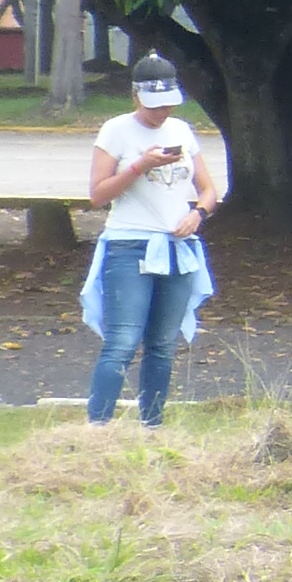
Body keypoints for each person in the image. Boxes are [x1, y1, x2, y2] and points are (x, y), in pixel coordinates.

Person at [81, 53, 224, 428]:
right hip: (130, 244)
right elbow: (97, 195)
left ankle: (152, 425)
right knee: (124, 341)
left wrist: (198, 214)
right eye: (153, 106)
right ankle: (99, 426)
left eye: (167, 105)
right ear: (135, 97)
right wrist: (139, 166)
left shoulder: (181, 130)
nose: (161, 113)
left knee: (162, 344)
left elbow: (208, 189)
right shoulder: (116, 130)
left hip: (176, 246)